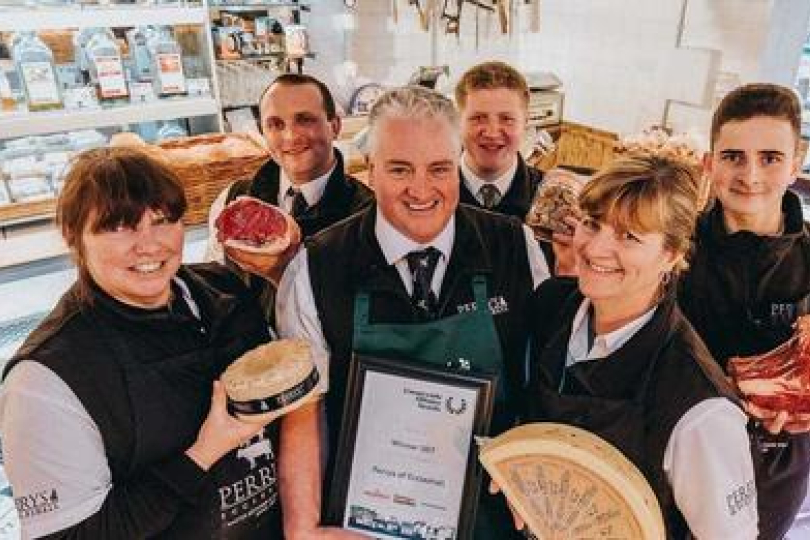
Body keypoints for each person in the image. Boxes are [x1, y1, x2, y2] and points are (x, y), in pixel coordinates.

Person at [0, 148, 329, 539]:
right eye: (118, 227)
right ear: (74, 238)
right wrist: (205, 450)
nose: (149, 245)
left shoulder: (226, 290)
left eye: (162, 220)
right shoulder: (44, 380)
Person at [276, 85, 550, 539]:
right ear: (371, 169)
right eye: (400, 169)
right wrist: (304, 530)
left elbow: (543, 378)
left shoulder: (513, 246)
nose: (421, 190)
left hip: (494, 514)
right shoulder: (319, 265)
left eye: (439, 169)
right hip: (373, 521)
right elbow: (305, 412)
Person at [524, 154, 758, 539]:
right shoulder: (551, 306)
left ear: (673, 255)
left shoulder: (699, 405)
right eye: (592, 223)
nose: (596, 249)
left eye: (628, 236)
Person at [678, 82, 810, 540]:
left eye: (770, 157)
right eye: (733, 156)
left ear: (796, 164)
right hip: (675, 455)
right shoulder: (675, 245)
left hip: (773, 470)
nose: (751, 175)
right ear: (709, 162)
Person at [206, 73, 373, 324]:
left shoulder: (368, 212)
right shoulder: (233, 200)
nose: (290, 137)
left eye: (304, 120)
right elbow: (217, 287)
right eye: (275, 124)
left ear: (335, 126)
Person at [454, 61, 543, 219]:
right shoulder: (430, 194)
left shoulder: (547, 199)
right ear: (457, 121)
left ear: (526, 122)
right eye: (478, 118)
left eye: (506, 119)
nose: (492, 133)